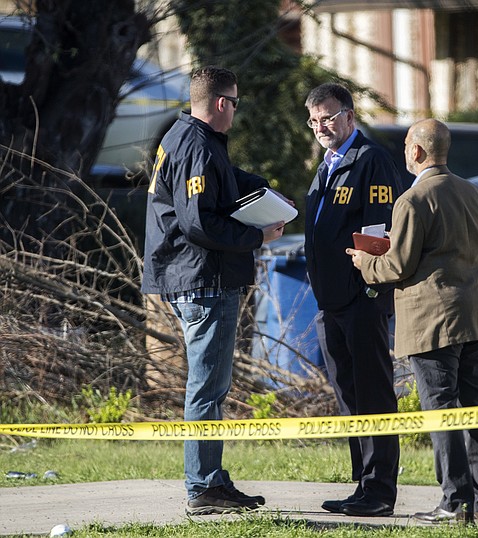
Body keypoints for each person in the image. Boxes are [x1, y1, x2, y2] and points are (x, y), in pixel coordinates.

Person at [142, 65, 289, 516]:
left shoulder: (185, 139)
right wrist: (257, 238)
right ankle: (203, 487)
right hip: (204, 281)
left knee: (211, 387)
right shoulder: (197, 146)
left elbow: (211, 188)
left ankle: (212, 481)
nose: (235, 112)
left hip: (196, 278)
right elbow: (199, 221)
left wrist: (256, 187)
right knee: (206, 389)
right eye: (236, 103)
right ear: (222, 103)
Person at [347, 118, 478, 524]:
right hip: (475, 313)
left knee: (441, 408)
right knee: (474, 405)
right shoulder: (472, 191)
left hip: (433, 319)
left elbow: (397, 265)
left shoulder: (412, 201)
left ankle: (453, 501)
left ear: (416, 151)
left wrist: (366, 262)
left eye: (405, 149)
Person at [304, 83, 402, 517]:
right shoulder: (327, 164)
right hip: (331, 301)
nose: (320, 127)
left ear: (348, 115)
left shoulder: (371, 160)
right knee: (348, 395)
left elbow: (379, 231)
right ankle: (361, 484)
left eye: (327, 117)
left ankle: (380, 490)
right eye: (313, 120)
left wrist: (370, 288)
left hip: (361, 297)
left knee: (373, 394)